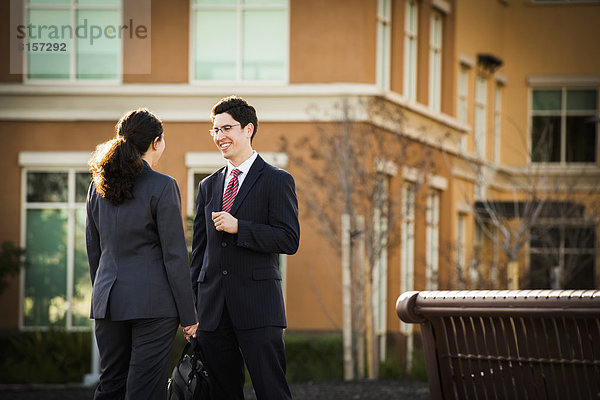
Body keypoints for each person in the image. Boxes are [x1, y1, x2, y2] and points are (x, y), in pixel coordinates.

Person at [190, 96, 300, 400]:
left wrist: (241, 228)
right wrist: (193, 309)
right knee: (222, 394)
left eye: (227, 128)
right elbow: (199, 254)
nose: (219, 136)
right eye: (214, 130)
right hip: (213, 312)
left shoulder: (277, 180)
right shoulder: (208, 186)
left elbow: (289, 239)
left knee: (272, 392)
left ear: (248, 129)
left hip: (258, 308)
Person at [86, 108, 198, 400]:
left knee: (110, 384)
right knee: (145, 390)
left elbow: (94, 251)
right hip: (154, 306)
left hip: (108, 302)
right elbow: (174, 256)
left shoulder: (97, 187)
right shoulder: (163, 186)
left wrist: (102, 295)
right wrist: (189, 316)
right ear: (156, 142)